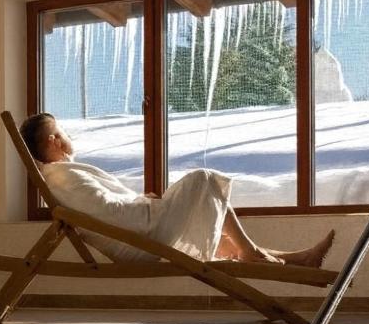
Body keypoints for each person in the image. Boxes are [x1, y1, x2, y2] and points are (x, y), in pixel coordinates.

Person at [19, 112, 335, 267]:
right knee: (204, 179)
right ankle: (252, 253)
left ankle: (295, 259)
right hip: (140, 239)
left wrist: (144, 202)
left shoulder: (64, 174)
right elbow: (106, 212)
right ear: (53, 141)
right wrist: (147, 207)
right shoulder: (62, 176)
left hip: (142, 230)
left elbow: (104, 207)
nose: (67, 134)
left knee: (213, 224)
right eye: (61, 131)